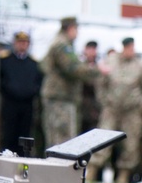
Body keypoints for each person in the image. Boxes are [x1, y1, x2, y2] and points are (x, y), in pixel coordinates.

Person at [86, 37, 142, 183]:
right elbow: (101, 83)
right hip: (111, 108)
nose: (131, 50)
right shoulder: (111, 61)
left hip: (132, 111)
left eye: (132, 47)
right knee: (102, 140)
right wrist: (104, 100)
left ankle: (123, 177)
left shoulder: (140, 65)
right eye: (128, 47)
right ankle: (92, 172)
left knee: (130, 145)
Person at [41, 16, 105, 148]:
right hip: (60, 98)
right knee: (62, 140)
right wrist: (96, 70)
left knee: (62, 138)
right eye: (76, 29)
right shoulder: (62, 45)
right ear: (70, 28)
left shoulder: (62, 44)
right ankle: (58, 168)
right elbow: (72, 68)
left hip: (62, 98)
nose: (77, 33)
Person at [0, 31, 43, 154]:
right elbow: (1, 80)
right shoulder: (5, 60)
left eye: (25, 42)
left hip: (27, 103)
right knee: (9, 133)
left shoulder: (33, 63)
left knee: (25, 133)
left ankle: (23, 157)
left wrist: (32, 92)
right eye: (19, 42)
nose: (22, 45)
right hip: (10, 102)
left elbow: (38, 81)